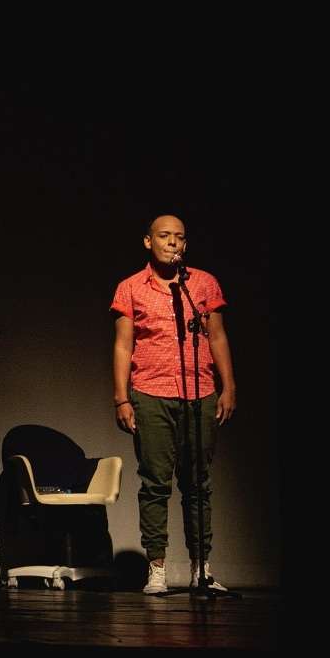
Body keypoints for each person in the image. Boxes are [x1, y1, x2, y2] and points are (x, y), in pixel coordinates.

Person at [111, 214, 237, 594]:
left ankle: (202, 568)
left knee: (198, 484)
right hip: (150, 393)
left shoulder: (202, 284)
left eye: (179, 237)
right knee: (155, 484)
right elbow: (122, 345)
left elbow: (217, 337)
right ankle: (158, 569)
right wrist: (121, 397)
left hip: (199, 393)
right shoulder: (130, 288)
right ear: (148, 241)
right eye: (164, 236)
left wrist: (228, 386)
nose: (172, 243)